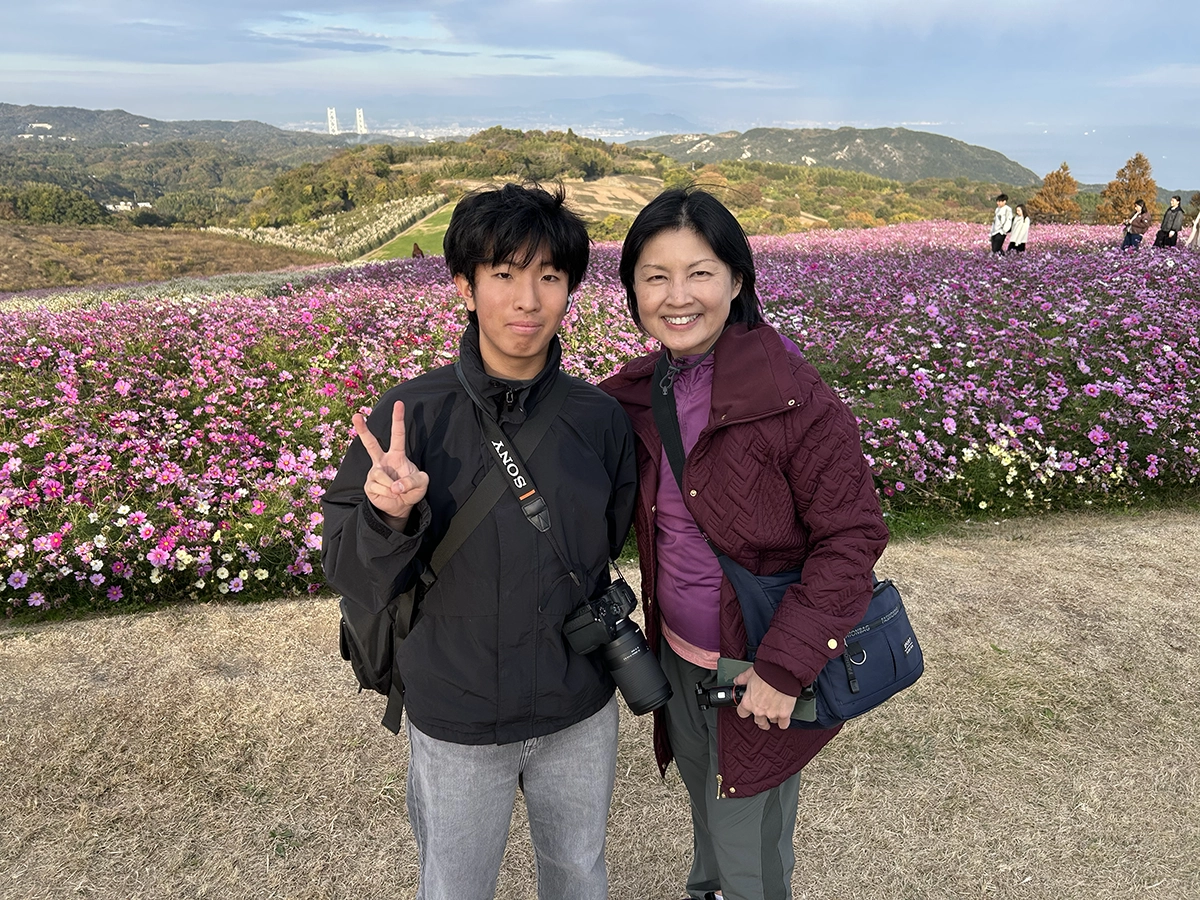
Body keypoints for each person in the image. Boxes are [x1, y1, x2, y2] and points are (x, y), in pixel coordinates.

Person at [321, 183, 637, 900]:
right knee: (455, 887)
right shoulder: (411, 415)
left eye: (549, 276)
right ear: (465, 286)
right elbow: (347, 567)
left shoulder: (599, 421)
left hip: (577, 709)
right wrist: (385, 517)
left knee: (579, 878)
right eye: (503, 274)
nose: (528, 299)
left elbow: (604, 541)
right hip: (457, 715)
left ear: (569, 289)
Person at [599, 187, 889, 900]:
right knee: (710, 810)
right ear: (632, 288)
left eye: (699, 272)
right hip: (678, 656)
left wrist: (785, 670)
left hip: (756, 661)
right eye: (655, 275)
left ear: (736, 279)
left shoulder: (794, 397)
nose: (677, 295)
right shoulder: (638, 392)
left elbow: (852, 540)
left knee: (747, 841)